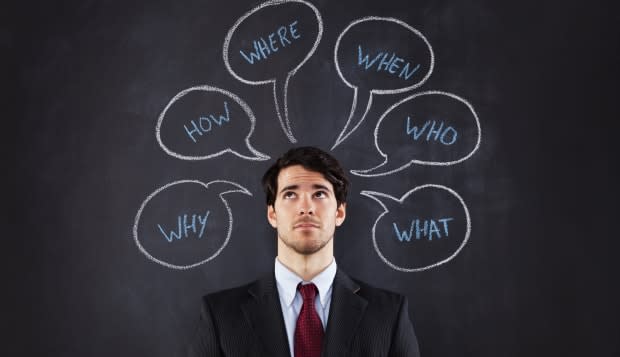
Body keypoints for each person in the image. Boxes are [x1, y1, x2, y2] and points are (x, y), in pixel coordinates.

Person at [188, 146, 420, 357]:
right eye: (290, 194)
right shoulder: (220, 316)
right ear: (272, 214)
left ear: (340, 213)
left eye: (319, 194)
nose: (306, 207)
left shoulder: (388, 314)